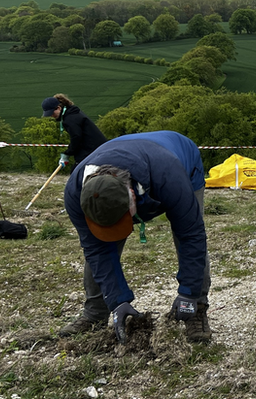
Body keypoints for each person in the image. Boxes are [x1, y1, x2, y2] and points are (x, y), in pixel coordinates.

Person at [60, 131, 212, 343]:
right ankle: (95, 313)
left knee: (186, 236)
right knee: (98, 245)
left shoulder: (169, 176)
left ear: (132, 194)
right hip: (131, 157)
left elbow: (192, 236)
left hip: (178, 159)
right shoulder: (75, 194)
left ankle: (197, 309)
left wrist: (189, 293)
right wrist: (118, 301)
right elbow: (96, 251)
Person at [41, 94, 107, 169]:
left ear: (59, 108)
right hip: (94, 149)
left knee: (77, 172)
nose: (52, 116)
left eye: (52, 113)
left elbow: (76, 137)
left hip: (93, 150)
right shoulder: (72, 113)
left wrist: (67, 153)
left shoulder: (70, 119)